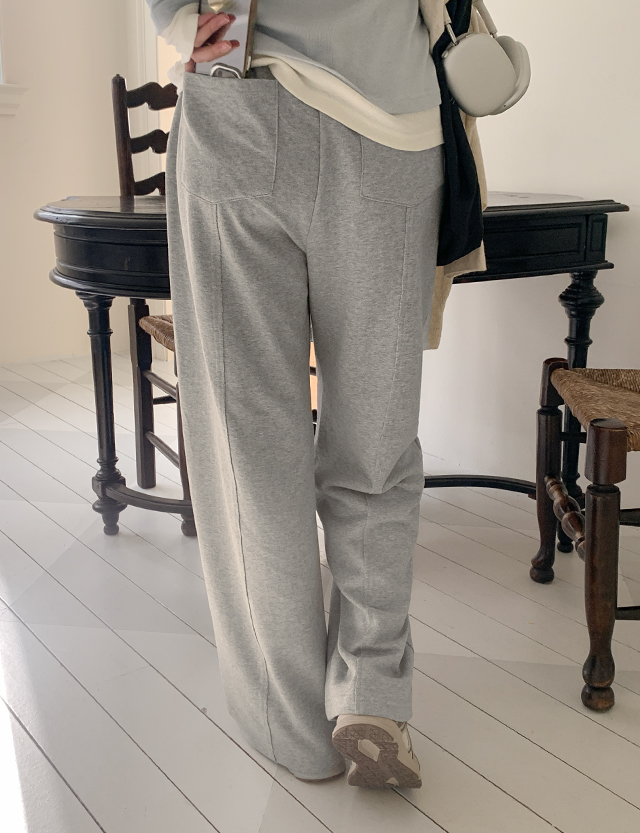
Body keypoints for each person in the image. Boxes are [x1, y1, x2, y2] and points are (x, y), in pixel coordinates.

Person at [144, 0, 487, 789]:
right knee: (376, 439)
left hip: (239, 98)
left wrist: (174, 17)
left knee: (250, 449)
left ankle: (293, 727)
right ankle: (371, 693)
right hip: (391, 123)